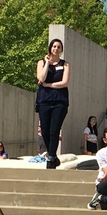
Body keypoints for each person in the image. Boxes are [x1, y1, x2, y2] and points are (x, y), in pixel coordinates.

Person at [35, 37, 70, 169]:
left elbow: (64, 83)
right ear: (50, 48)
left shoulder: (65, 64)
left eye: (59, 47)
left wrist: (48, 85)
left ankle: (50, 158)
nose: (56, 49)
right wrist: (47, 64)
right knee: (45, 131)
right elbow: (41, 78)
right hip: (44, 100)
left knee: (54, 130)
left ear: (61, 50)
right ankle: (53, 156)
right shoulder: (41, 62)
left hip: (60, 101)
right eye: (54, 46)